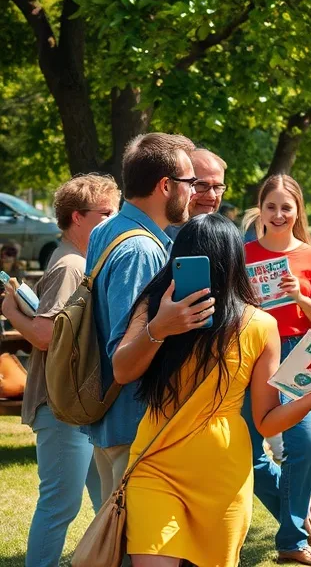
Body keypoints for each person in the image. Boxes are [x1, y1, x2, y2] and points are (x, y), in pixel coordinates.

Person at [110, 215, 311, 567]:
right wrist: (160, 327)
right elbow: (121, 370)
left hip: (223, 478)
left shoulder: (259, 325)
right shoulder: (155, 307)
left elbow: (267, 423)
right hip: (156, 467)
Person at [0, 175, 118, 566]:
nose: (113, 220)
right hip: (62, 403)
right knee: (60, 506)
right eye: (105, 213)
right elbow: (48, 335)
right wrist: (12, 311)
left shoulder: (79, 259)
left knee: (107, 500)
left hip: (76, 403)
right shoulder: (70, 265)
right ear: (76, 217)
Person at [82, 132, 195, 501]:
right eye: (190, 182)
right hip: (135, 425)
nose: (194, 191)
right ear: (166, 185)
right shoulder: (141, 250)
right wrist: (166, 326)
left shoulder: (107, 230)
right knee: (132, 551)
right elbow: (125, 359)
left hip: (112, 419)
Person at [241, 174, 311, 566]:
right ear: (260, 210)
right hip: (249, 353)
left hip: (299, 352)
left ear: (298, 211)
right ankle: (292, 511)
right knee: (247, 450)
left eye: (286, 207)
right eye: (271, 206)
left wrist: (299, 296)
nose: (278, 214)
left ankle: (292, 541)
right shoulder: (241, 254)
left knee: (308, 447)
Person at [165, 147, 227, 240]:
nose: (212, 196)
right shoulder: (153, 239)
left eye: (217, 187)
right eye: (201, 185)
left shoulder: (225, 239)